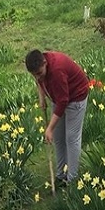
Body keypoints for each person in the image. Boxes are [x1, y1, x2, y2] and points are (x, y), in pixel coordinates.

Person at [25, 49, 89, 185]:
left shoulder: (57, 71)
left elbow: (63, 102)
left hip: (76, 97)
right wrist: (42, 97)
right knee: (59, 139)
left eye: (39, 74)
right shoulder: (39, 68)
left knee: (72, 138)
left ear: (45, 63)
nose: (37, 77)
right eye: (34, 75)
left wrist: (49, 128)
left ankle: (73, 180)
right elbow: (39, 82)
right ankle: (61, 175)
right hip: (59, 97)